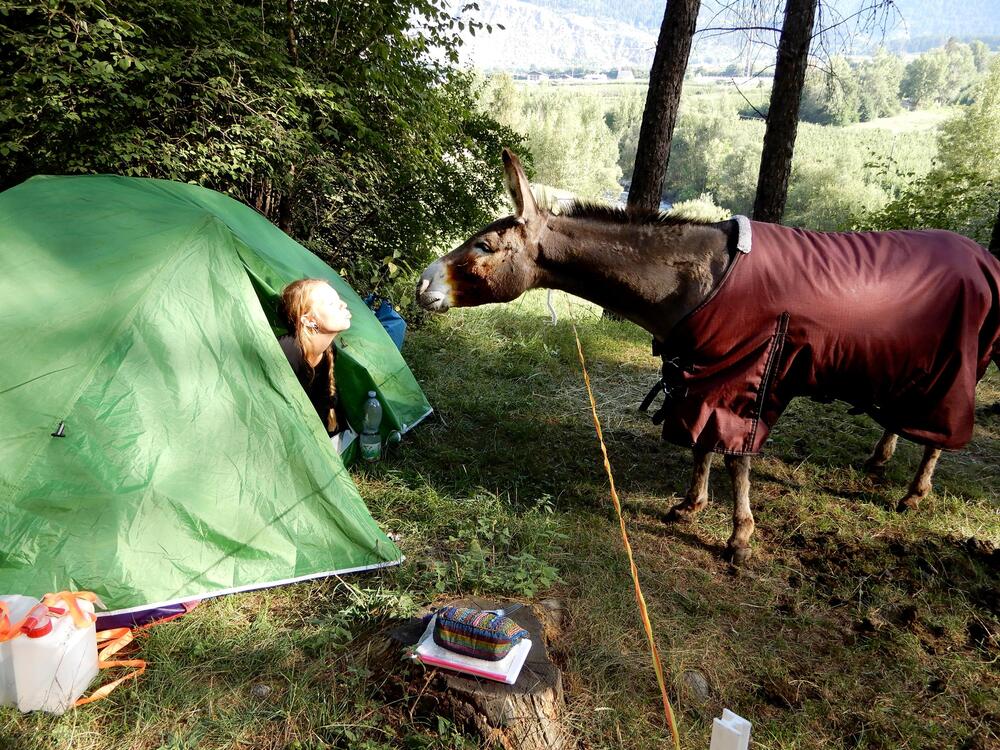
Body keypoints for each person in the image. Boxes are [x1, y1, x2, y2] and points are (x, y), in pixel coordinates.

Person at [278, 278, 355, 453]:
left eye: (339, 299)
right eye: (332, 303)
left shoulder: (329, 351)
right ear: (308, 319)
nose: (343, 304)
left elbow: (321, 403)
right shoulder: (287, 353)